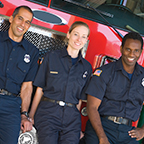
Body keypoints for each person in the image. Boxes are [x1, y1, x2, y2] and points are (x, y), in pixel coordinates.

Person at [28, 21, 92, 144]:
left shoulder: (86, 67)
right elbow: (40, 89)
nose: (79, 39)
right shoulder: (51, 57)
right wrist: (31, 116)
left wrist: (77, 125)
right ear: (68, 34)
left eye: (83, 37)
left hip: (71, 119)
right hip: (48, 113)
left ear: (86, 40)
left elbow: (79, 100)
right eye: (76, 34)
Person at [82, 31, 144, 144]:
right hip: (102, 127)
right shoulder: (105, 72)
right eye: (128, 49)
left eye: (136, 51)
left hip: (128, 133)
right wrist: (102, 137)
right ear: (121, 49)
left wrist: (143, 130)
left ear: (140, 52)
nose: (131, 54)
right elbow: (92, 107)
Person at [0, 5, 39, 144]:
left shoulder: (33, 52)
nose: (23, 24)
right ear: (11, 19)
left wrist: (24, 114)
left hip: (12, 106)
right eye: (20, 19)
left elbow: (27, 87)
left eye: (27, 22)